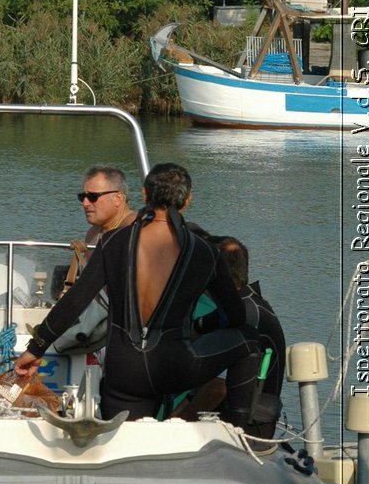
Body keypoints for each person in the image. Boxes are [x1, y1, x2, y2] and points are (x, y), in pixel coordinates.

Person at [15, 162, 264, 430]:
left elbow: (75, 301)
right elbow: (236, 315)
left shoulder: (113, 242)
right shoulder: (205, 252)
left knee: (123, 440)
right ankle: (241, 435)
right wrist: (200, 326)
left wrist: (36, 348)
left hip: (124, 373)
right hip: (174, 367)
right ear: (188, 200)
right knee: (250, 340)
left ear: (145, 194)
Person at [188, 235, 286, 439]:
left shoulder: (244, 315)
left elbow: (218, 388)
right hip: (248, 416)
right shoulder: (248, 304)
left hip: (249, 425)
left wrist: (175, 422)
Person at [51, 166, 136, 353]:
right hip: (94, 327)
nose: (85, 203)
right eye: (83, 197)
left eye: (93, 197)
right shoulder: (93, 234)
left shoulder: (135, 231)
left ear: (118, 198)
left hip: (124, 332)